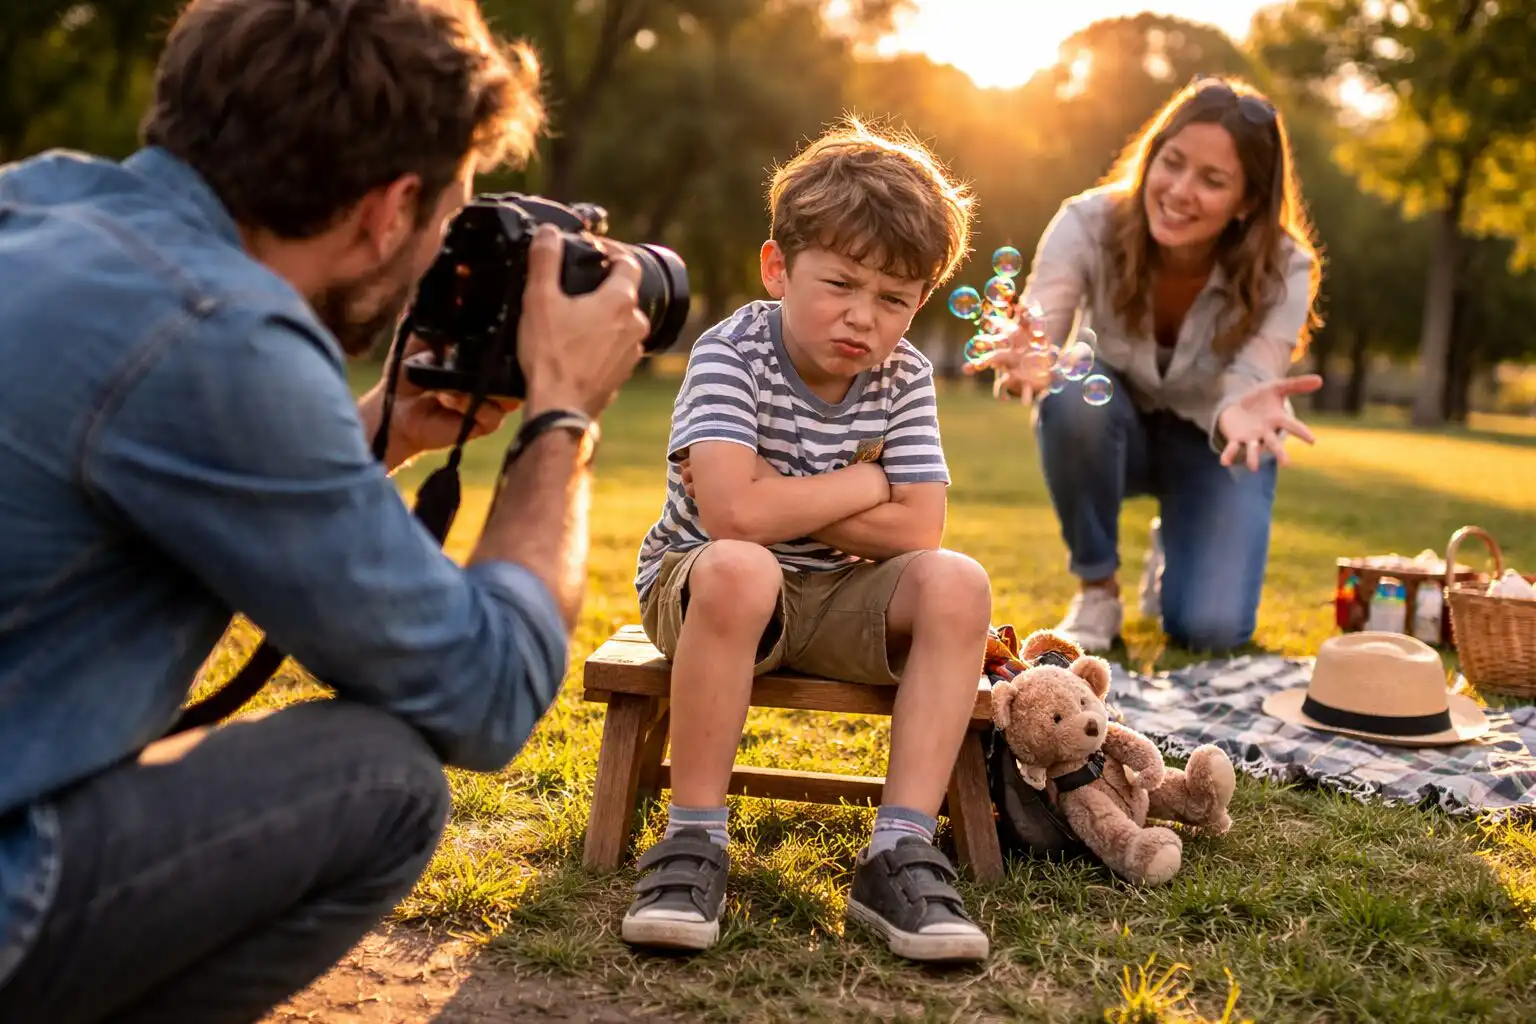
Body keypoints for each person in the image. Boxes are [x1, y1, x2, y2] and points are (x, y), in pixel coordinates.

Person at [0, 2, 650, 1020]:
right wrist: (562, 417)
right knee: (384, 783)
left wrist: (381, 435)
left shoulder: (37, 207)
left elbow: (149, 464)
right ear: (390, 209)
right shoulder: (220, 330)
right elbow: (485, 694)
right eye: (449, 218)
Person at [621, 121, 994, 964]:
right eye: (841, 283)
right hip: (705, 586)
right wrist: (865, 483)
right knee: (744, 566)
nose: (864, 317)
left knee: (958, 583)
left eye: (894, 299)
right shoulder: (732, 352)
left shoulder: (904, 377)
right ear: (778, 268)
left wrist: (773, 496)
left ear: (920, 304)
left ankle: (898, 848)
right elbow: (728, 522)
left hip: (837, 594)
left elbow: (919, 529)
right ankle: (694, 840)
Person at [972, 75, 1325, 654]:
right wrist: (1032, 359)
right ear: (1152, 153)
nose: (1181, 190)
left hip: (1217, 441)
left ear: (1248, 202)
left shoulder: (1286, 268)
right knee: (1071, 389)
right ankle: (1098, 590)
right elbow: (1044, 321)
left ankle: (1179, 541)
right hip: (1115, 425)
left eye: (1213, 180)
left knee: (1210, 631)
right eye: (1173, 162)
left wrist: (1239, 411)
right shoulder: (1087, 221)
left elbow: (1254, 373)